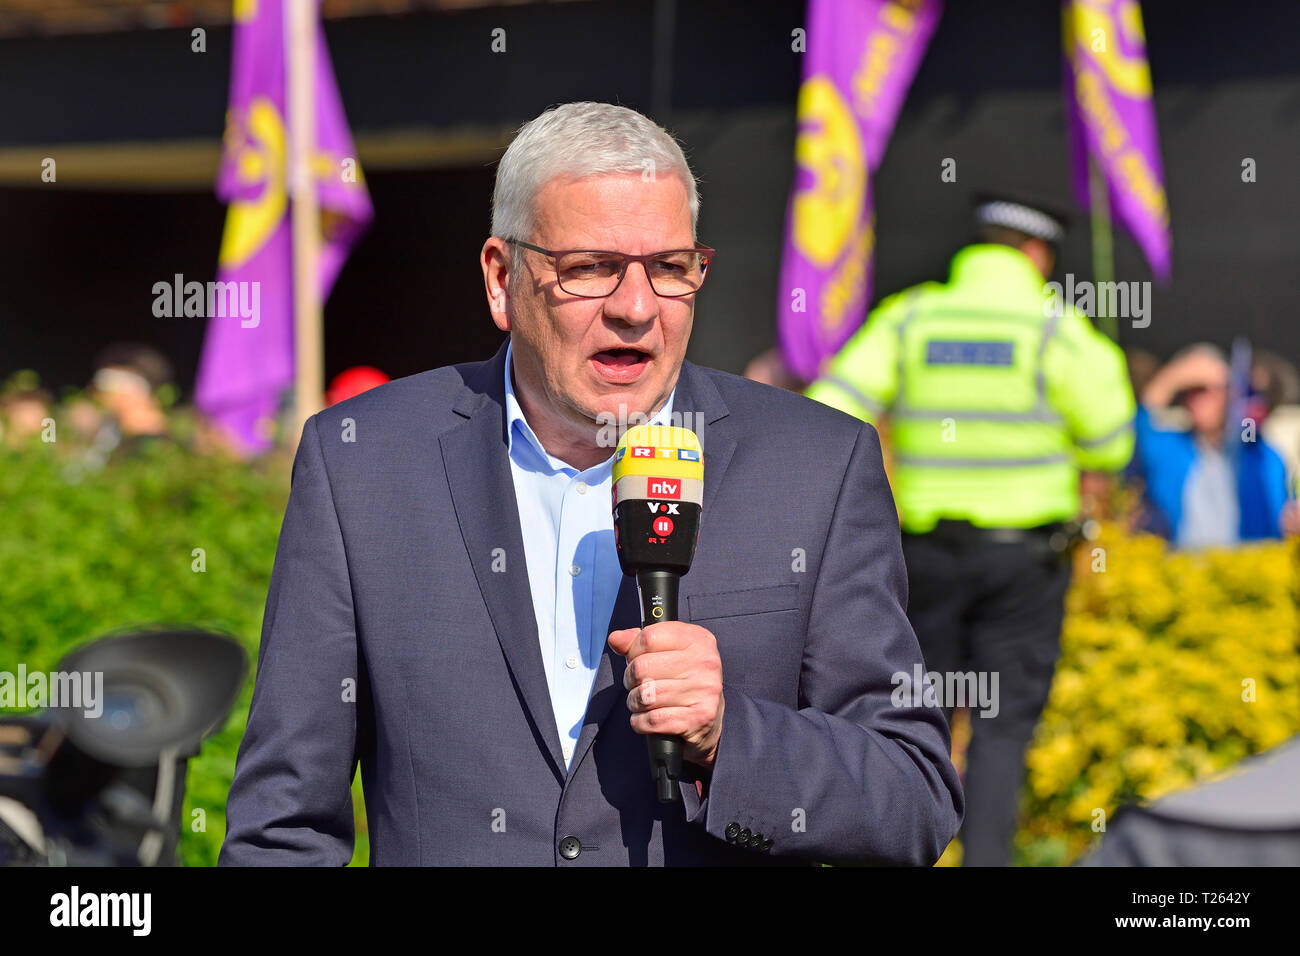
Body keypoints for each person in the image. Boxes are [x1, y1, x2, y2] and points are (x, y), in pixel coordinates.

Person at [220, 102, 962, 866]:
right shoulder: (364, 463)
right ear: (502, 280)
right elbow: (282, 826)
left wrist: (730, 736)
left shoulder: (816, 466)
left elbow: (913, 799)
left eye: (670, 268)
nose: (636, 308)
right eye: (591, 268)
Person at [805, 193, 1135, 866]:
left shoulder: (912, 317)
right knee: (1002, 726)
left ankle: (899, 852)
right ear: (1038, 253)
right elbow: (1112, 440)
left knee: (905, 716)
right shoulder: (1055, 327)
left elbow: (830, 409)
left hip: (923, 558)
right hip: (1025, 561)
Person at [1134, 344, 1298, 546]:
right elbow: (1134, 432)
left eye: (1205, 390)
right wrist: (1174, 376)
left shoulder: (1260, 454)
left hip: (1248, 570)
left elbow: (1280, 521)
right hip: (1184, 571)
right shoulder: (1170, 448)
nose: (1196, 399)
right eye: (1189, 390)